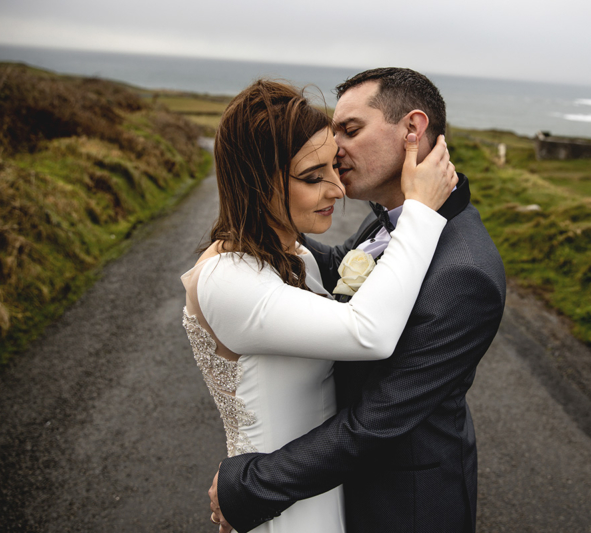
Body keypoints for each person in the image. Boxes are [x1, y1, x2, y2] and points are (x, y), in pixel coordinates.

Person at [210, 68, 507, 533]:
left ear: (412, 129)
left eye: (350, 130)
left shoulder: (464, 271)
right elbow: (336, 267)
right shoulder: (390, 220)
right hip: (342, 494)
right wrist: (260, 226)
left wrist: (250, 487)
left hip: (403, 508)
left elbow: (374, 423)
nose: (335, 147)